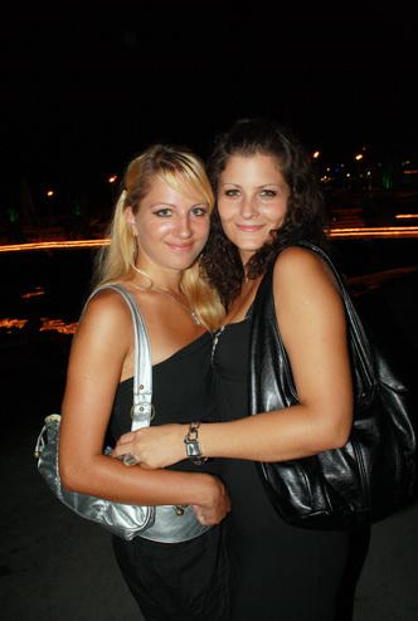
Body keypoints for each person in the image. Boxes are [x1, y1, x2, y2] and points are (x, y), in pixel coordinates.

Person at [113, 120, 370, 620]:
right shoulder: (246, 277)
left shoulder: (295, 267)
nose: (248, 210)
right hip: (250, 513)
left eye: (266, 193)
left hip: (290, 521)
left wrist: (186, 440)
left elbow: (328, 424)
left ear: (293, 199)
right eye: (233, 192)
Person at [59, 144, 232, 621]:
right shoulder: (113, 312)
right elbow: (77, 468)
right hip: (175, 539)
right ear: (131, 218)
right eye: (164, 212)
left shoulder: (202, 295)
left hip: (227, 515)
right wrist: (203, 490)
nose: (185, 229)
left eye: (198, 211)